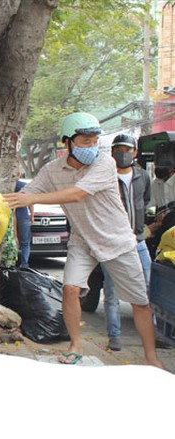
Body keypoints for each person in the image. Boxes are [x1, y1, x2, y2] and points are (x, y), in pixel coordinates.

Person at [4, 112, 163, 368]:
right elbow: (27, 193)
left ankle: (151, 358)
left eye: (94, 140)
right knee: (70, 289)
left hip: (117, 240)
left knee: (139, 303)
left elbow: (77, 194)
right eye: (85, 141)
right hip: (82, 240)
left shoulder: (105, 164)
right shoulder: (53, 170)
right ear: (67, 142)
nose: (91, 146)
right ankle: (75, 345)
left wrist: (29, 200)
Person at [101, 133, 152, 351]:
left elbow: (145, 200)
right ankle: (114, 337)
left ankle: (153, 334)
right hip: (113, 243)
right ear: (112, 153)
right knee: (112, 292)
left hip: (138, 241)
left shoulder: (143, 176)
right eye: (118, 151)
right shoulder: (105, 177)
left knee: (146, 289)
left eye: (127, 150)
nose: (123, 155)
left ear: (135, 153)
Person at [14, 173, 33, 268]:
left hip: (11, 215)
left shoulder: (8, 186)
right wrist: (32, 215)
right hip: (23, 215)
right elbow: (31, 201)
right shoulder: (23, 185)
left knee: (14, 240)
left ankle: (13, 262)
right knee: (25, 242)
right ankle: (24, 264)